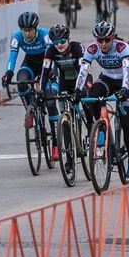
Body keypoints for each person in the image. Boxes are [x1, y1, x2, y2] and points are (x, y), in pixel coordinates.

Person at [76, 20, 129, 181]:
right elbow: (84, 70)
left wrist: (124, 90)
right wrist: (77, 90)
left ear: (113, 38)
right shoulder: (92, 49)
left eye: (107, 40)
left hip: (126, 82)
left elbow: (128, 70)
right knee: (92, 95)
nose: (103, 44)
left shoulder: (121, 47)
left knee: (126, 121)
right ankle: (102, 128)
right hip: (107, 79)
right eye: (100, 40)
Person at [39, 22, 85, 162]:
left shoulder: (77, 47)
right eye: (56, 42)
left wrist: (80, 89)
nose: (59, 45)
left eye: (62, 41)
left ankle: (93, 128)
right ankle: (70, 159)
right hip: (64, 83)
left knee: (87, 105)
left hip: (80, 79)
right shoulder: (51, 51)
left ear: (69, 39)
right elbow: (45, 72)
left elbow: (84, 70)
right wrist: (41, 90)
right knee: (65, 121)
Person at [1, 11, 49, 121]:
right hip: (29, 63)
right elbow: (13, 56)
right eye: (24, 30)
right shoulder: (17, 37)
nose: (27, 33)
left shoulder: (45, 34)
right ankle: (29, 110)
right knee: (21, 83)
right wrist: (9, 73)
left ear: (36, 28)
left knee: (48, 94)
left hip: (45, 63)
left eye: (30, 30)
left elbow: (49, 55)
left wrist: (48, 71)